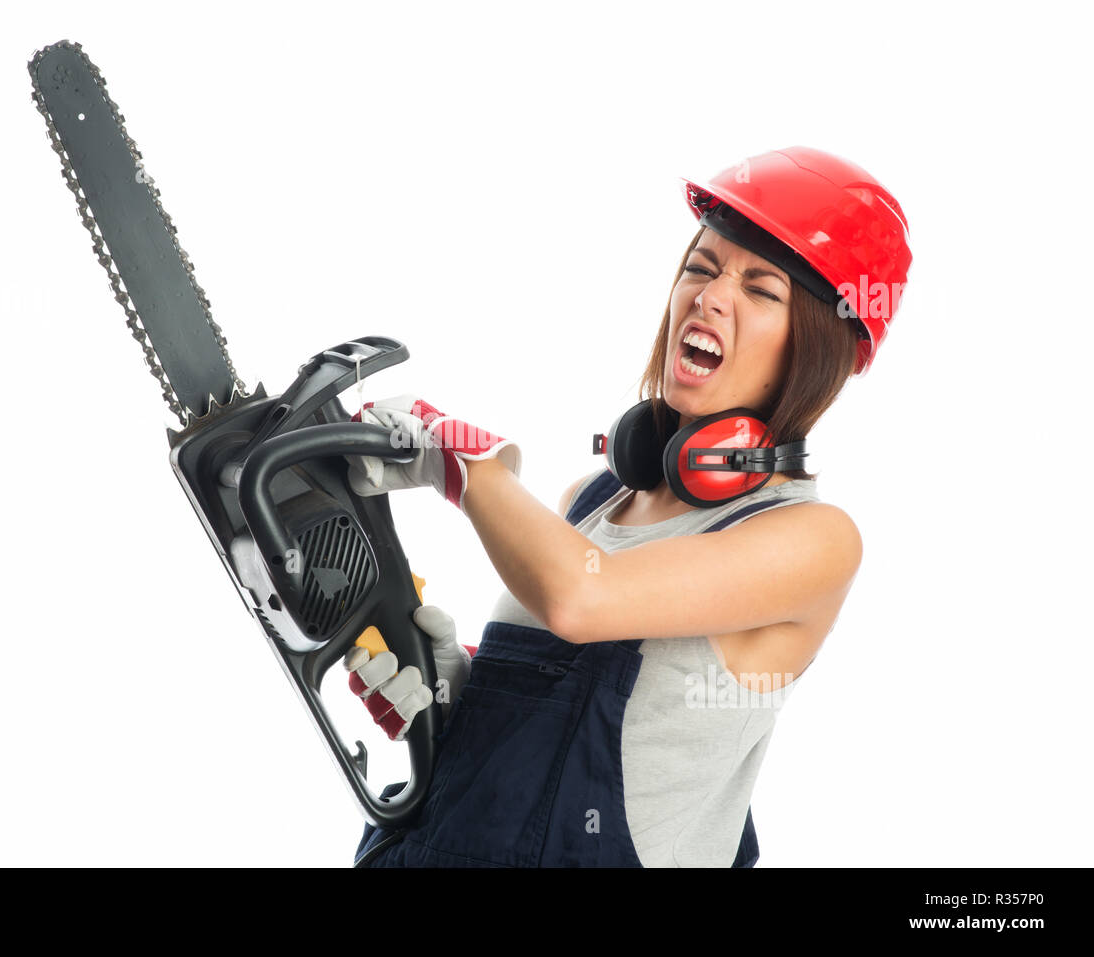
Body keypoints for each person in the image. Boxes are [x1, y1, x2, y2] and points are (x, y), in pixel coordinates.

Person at [341, 146, 912, 867]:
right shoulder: (588, 503)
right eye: (701, 268)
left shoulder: (812, 539)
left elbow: (581, 596)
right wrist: (458, 699)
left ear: (818, 349)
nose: (709, 297)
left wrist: (467, 466)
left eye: (762, 289)